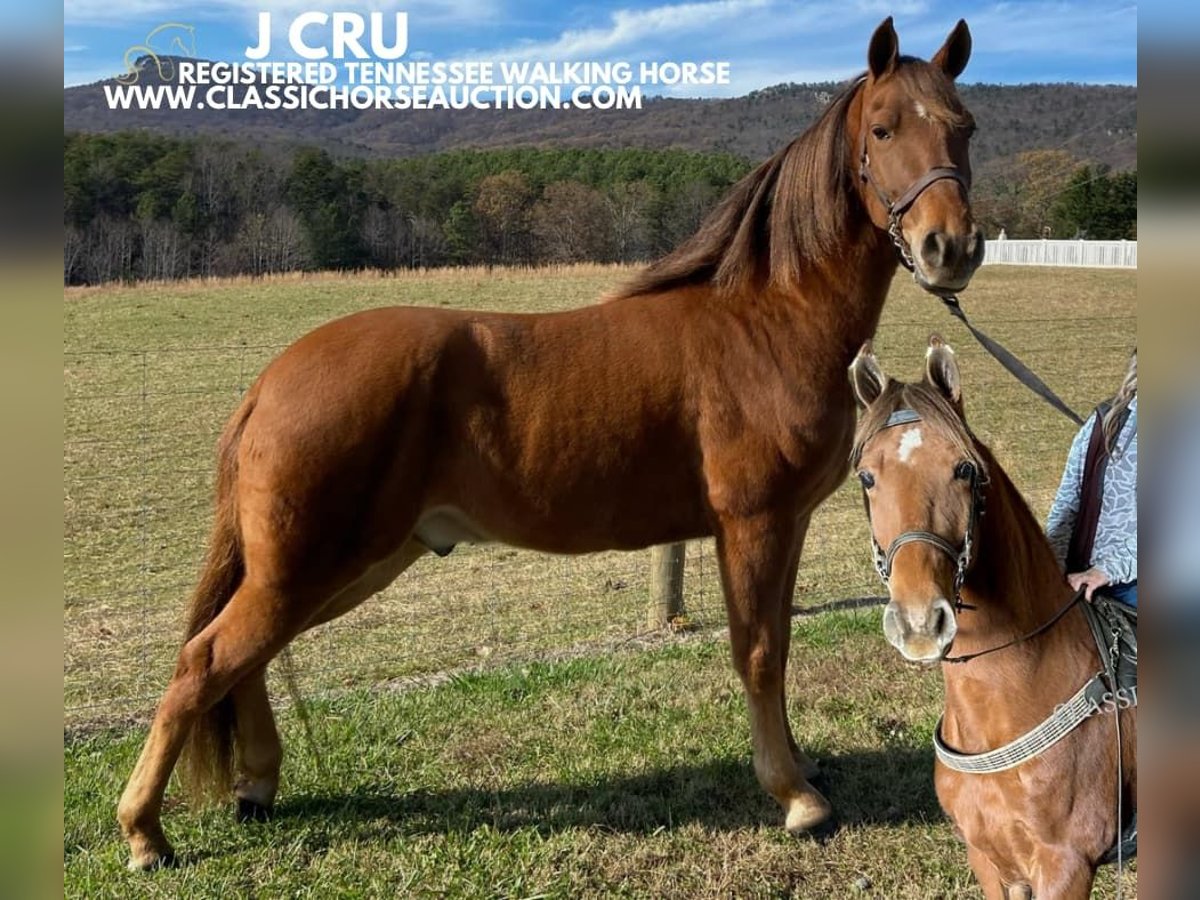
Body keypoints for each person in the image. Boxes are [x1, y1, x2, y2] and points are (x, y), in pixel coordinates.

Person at [1046, 350, 1137, 607]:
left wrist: (1105, 571)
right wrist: (1053, 561)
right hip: (1078, 574)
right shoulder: (1103, 422)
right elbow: (1067, 502)